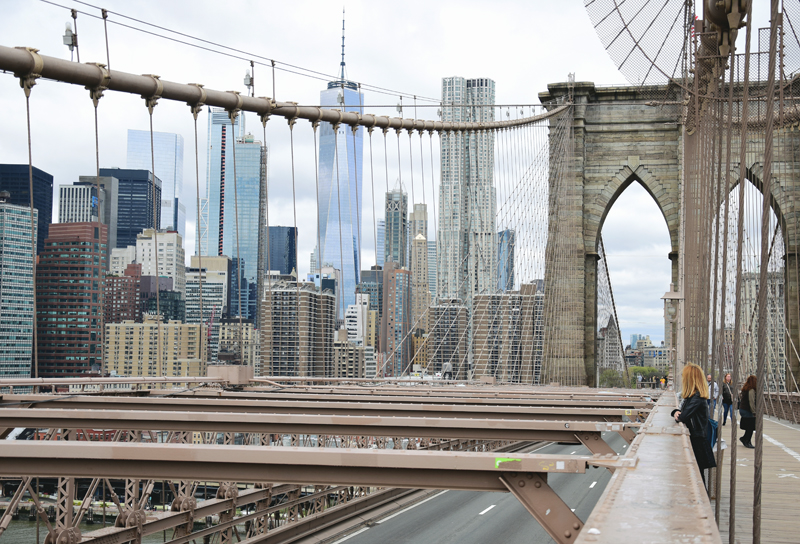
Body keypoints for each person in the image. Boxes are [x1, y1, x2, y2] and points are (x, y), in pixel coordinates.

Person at [672, 363, 716, 483]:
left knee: (698, 478)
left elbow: (683, 416)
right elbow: (682, 413)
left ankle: (702, 501)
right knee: (698, 476)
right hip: (698, 439)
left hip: (697, 441)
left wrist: (677, 414)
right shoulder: (695, 396)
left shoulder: (696, 398)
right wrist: (675, 411)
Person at [738, 375, 757, 449]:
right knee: (751, 427)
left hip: (743, 409)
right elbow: (751, 401)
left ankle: (745, 439)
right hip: (747, 410)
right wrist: (754, 412)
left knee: (749, 427)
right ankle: (747, 440)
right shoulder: (751, 390)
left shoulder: (745, 389)